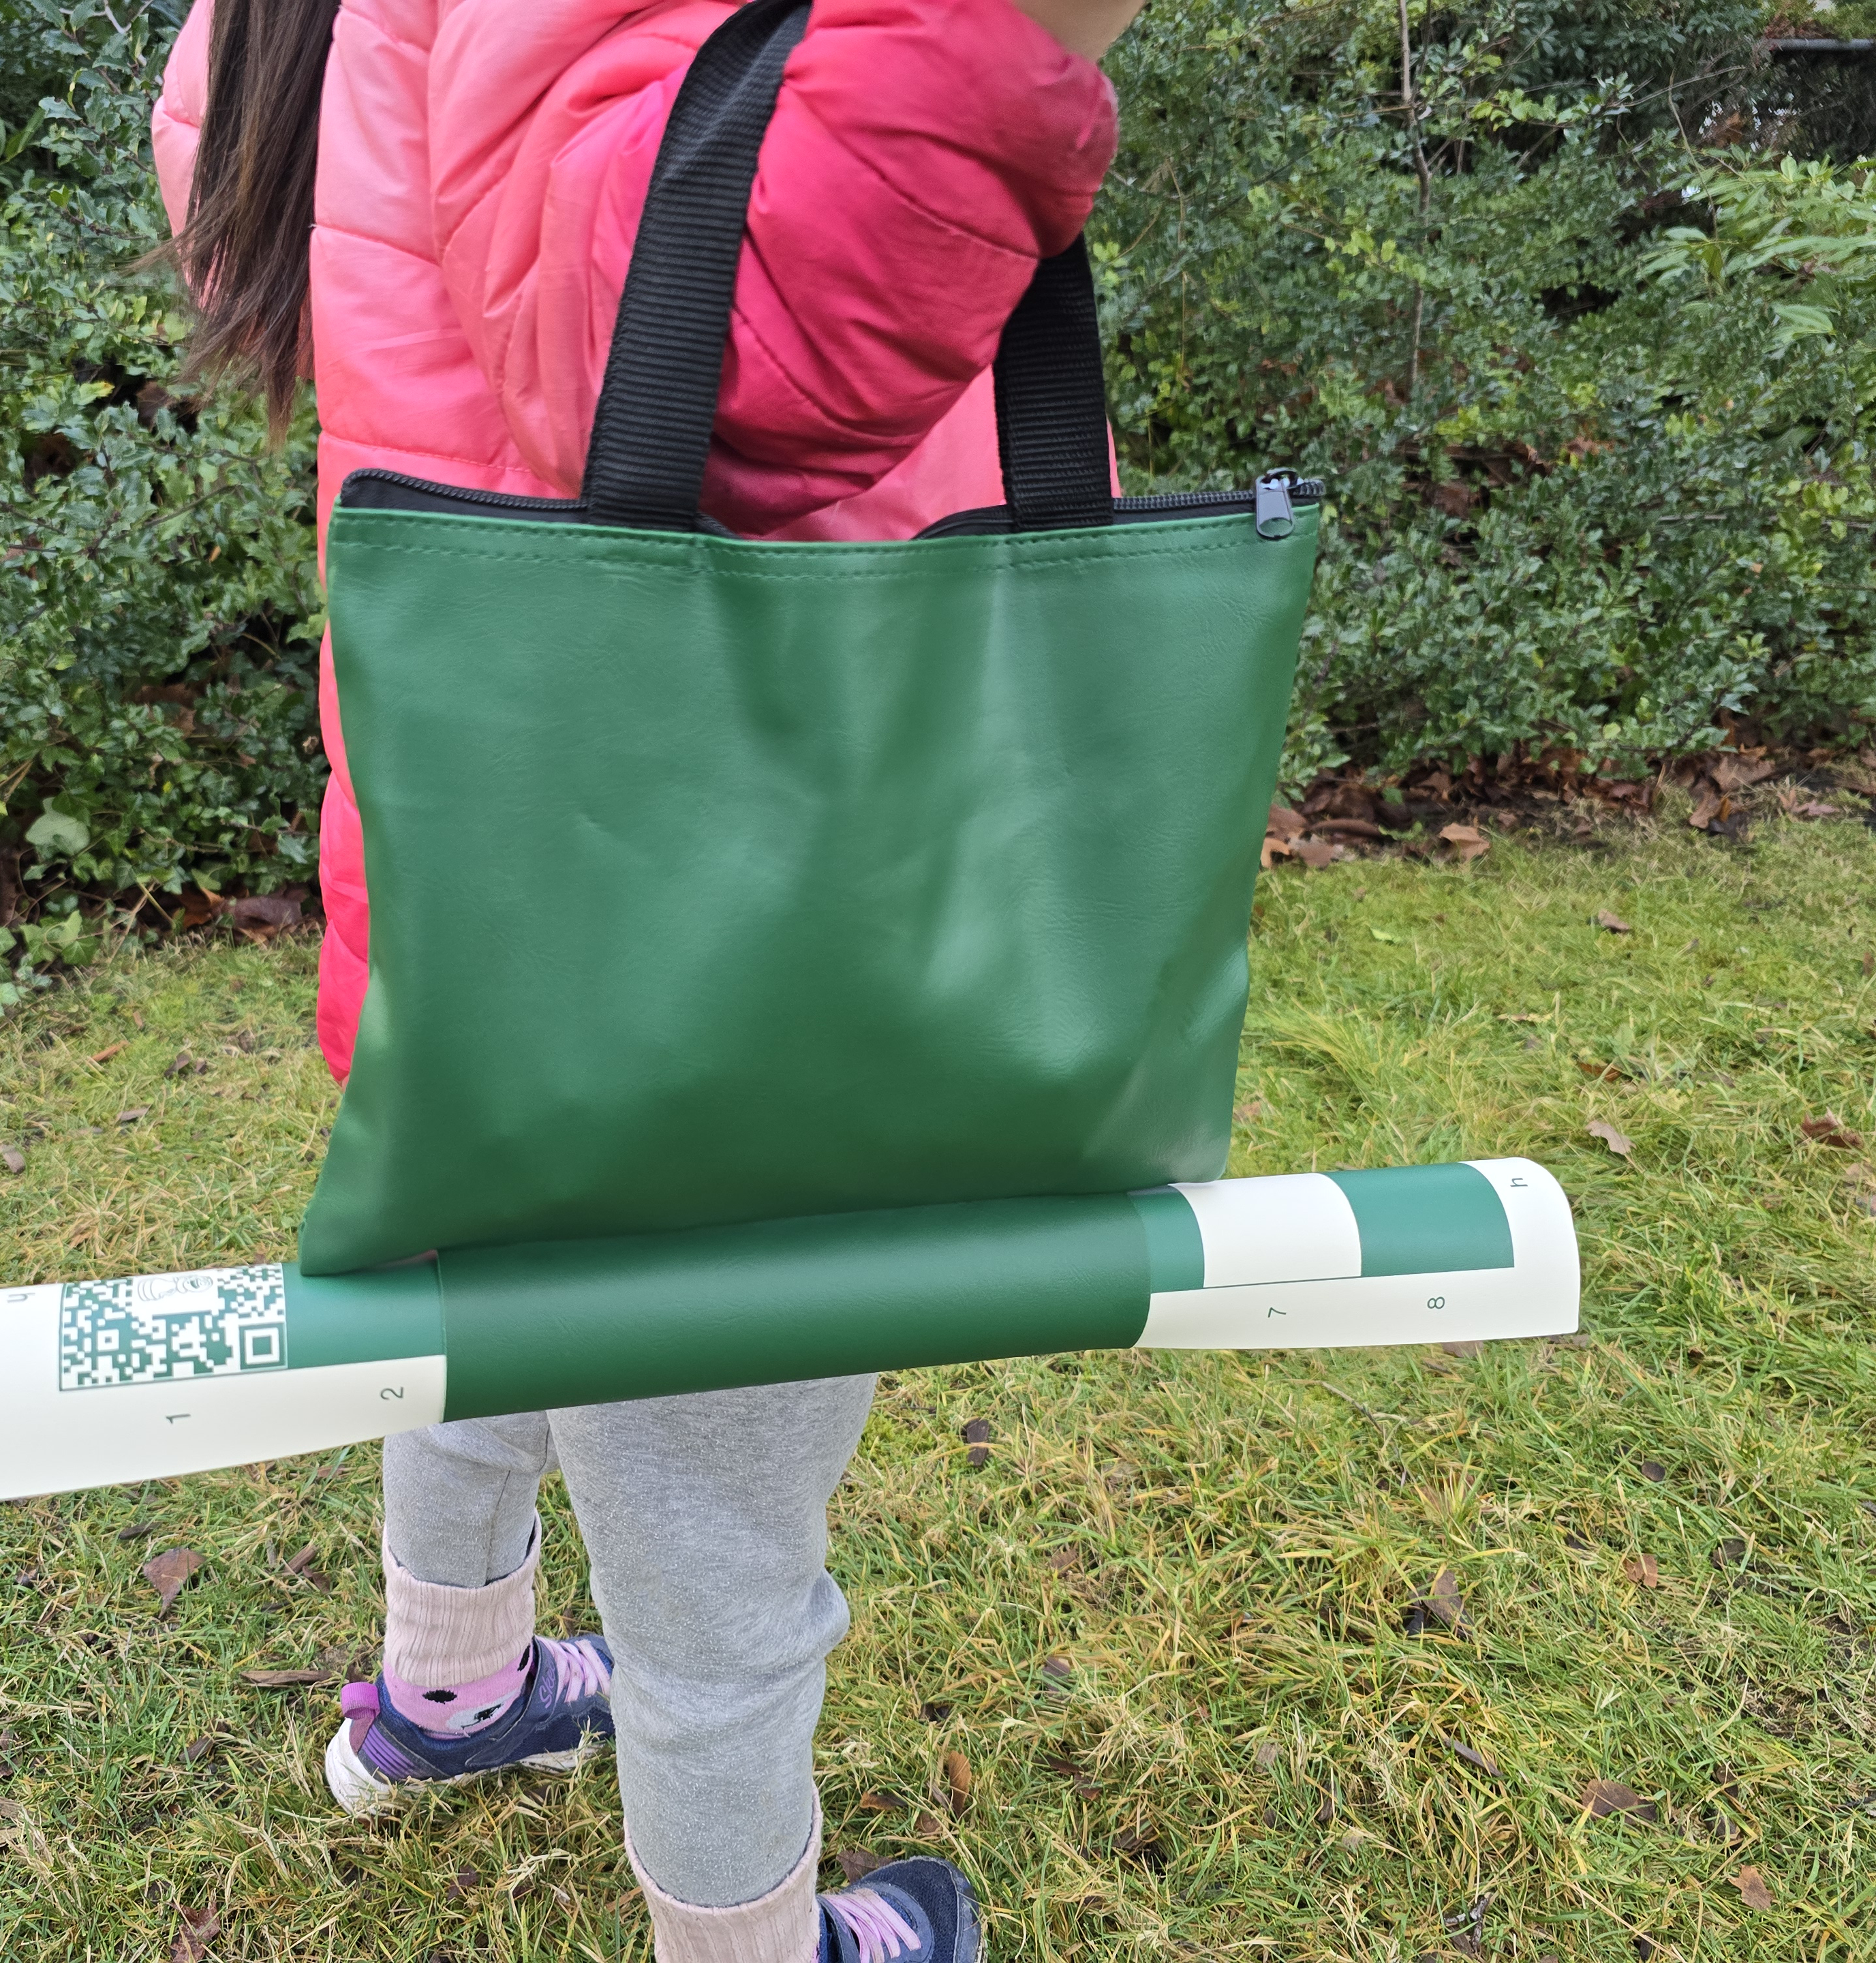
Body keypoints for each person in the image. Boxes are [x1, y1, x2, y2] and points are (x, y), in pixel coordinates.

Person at [151, 0, 1143, 1953]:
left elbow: (275, 194)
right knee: (717, 1541)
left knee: (494, 1283)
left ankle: (454, 1695)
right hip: (750, 905)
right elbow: (724, 347)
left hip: (493, 854)